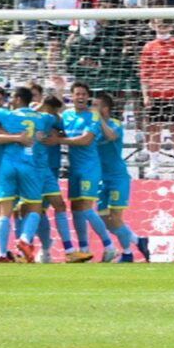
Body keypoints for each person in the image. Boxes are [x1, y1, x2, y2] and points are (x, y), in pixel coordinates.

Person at [43, 82, 118, 262]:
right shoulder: (66, 115)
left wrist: (58, 141)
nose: (81, 97)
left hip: (89, 168)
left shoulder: (93, 116)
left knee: (85, 208)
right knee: (76, 209)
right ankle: (84, 248)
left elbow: (85, 140)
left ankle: (109, 246)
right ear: (73, 96)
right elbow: (53, 124)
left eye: (84, 94)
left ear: (88, 97)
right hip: (74, 169)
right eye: (77, 94)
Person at [0, 87, 49, 263]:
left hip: (5, 167)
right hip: (4, 169)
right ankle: (17, 245)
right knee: (25, 209)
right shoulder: (40, 118)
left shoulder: (6, 115)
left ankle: (4, 253)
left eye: (1, 99)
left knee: (6, 211)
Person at [94, 93, 150, 263]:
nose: (92, 108)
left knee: (116, 218)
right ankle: (138, 240)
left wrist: (99, 119)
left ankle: (127, 253)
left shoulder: (115, 124)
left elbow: (111, 136)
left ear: (105, 109)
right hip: (100, 178)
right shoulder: (92, 127)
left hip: (118, 177)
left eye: (96, 105)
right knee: (104, 220)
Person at [140, 19, 174, 179]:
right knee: (154, 131)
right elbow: (144, 74)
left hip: (173, 95)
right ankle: (154, 167)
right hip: (155, 96)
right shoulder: (149, 47)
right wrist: (145, 95)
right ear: (154, 26)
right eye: (160, 24)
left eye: (166, 24)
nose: (162, 28)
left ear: (172, 26)